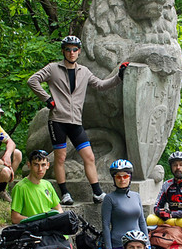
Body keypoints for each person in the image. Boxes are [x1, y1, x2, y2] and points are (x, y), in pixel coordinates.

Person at [27, 35, 129, 205]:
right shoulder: (53, 68)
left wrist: (119, 76)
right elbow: (33, 80)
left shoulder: (84, 71)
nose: (71, 52)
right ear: (63, 51)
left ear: (79, 51)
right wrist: (47, 99)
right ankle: (65, 193)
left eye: (75, 49)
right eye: (68, 49)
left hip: (75, 122)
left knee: (88, 157)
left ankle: (97, 193)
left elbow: (101, 85)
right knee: (60, 158)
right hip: (57, 121)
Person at [10, 149, 82, 249]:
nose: (40, 169)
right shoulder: (21, 187)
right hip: (35, 238)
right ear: (29, 165)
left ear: (48, 165)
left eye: (43, 165)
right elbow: (15, 218)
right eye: (36, 165)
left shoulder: (48, 185)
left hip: (52, 235)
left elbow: (58, 209)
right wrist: (37, 221)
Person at [102, 159, 149, 249]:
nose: (122, 179)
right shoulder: (109, 198)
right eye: (118, 176)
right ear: (114, 179)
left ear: (130, 177)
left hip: (138, 245)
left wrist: (147, 244)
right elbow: (105, 225)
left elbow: (142, 222)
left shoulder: (136, 196)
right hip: (119, 245)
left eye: (125, 176)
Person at [152, 151, 182, 220]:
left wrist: (173, 214)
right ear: (171, 167)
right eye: (175, 165)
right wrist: (160, 213)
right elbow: (157, 206)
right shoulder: (166, 185)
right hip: (170, 221)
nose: (178, 167)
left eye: (181, 165)